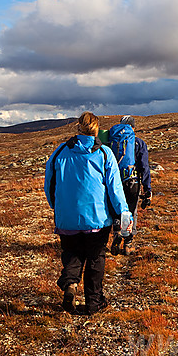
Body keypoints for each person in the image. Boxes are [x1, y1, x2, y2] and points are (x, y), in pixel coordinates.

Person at [44, 112, 130, 315]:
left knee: (72, 254)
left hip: (67, 218)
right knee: (95, 258)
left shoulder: (60, 152)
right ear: (97, 129)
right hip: (97, 219)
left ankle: (70, 285)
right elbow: (115, 189)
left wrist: (56, 206)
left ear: (78, 128)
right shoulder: (105, 154)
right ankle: (93, 303)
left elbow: (50, 183)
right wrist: (124, 214)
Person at [108, 115, 152, 256]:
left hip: (115, 181)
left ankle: (116, 233)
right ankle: (128, 244)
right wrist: (147, 188)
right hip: (132, 181)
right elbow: (144, 167)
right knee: (131, 211)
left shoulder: (112, 143)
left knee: (116, 208)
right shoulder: (138, 143)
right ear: (133, 127)